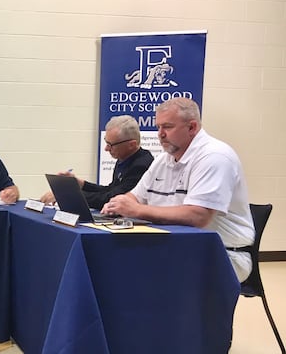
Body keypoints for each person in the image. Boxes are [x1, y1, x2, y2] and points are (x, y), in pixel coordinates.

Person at [101, 97, 255, 282]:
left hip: (222, 253)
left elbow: (198, 216)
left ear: (192, 127)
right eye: (158, 127)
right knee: (110, 266)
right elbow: (134, 197)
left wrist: (137, 210)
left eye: (167, 127)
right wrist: (120, 204)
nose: (160, 134)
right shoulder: (163, 159)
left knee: (130, 275)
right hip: (175, 246)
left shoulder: (215, 156)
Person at [40, 115, 153, 208]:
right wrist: (80, 184)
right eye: (106, 142)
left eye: (111, 145)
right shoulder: (124, 158)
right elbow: (110, 190)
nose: (106, 149)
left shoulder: (142, 165)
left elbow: (111, 198)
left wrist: (66, 195)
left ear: (131, 145)